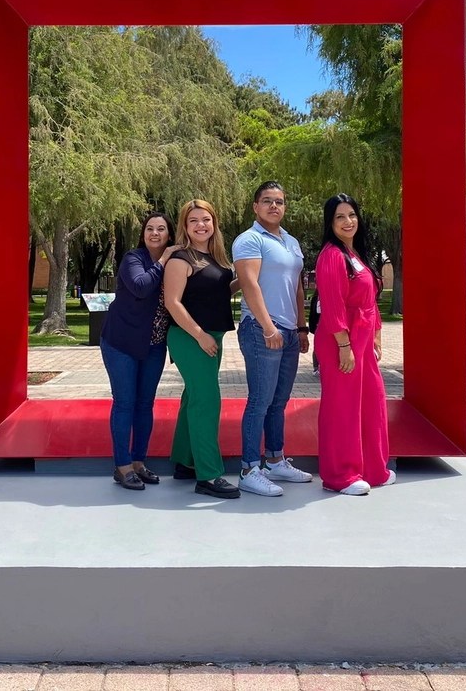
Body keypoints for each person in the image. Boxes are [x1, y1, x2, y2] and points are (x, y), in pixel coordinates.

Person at [232, 181, 312, 497]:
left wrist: (302, 328)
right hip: (261, 329)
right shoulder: (249, 240)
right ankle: (249, 469)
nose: (274, 206)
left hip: (289, 332)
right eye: (267, 201)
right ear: (256, 207)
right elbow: (249, 284)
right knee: (260, 400)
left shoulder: (291, 242)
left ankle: (275, 461)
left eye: (279, 201)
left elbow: (297, 286)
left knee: (279, 401)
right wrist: (268, 327)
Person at [314, 194, 394, 496]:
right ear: (330, 222)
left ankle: (373, 468)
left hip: (362, 340)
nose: (348, 222)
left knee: (372, 402)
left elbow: (369, 301)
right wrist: (344, 346)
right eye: (340, 217)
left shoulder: (356, 254)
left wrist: (376, 335)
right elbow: (332, 306)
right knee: (342, 407)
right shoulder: (332, 255)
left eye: (351, 215)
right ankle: (341, 475)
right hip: (341, 340)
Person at [163, 199, 242, 500]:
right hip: (190, 337)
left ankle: (185, 462)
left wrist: (244, 281)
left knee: (193, 397)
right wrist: (199, 335)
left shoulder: (215, 258)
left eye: (206, 219)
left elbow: (217, 293)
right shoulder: (181, 259)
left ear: (214, 223)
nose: (201, 225)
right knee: (207, 401)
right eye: (193, 220)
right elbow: (173, 303)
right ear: (185, 226)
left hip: (211, 336)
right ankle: (208, 475)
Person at [100, 213, 182, 490]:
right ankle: (122, 466)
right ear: (143, 233)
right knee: (125, 403)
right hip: (121, 342)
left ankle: (138, 462)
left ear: (170, 234)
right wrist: (164, 258)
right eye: (150, 228)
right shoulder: (133, 259)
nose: (155, 233)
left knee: (145, 405)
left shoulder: (177, 262)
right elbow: (141, 287)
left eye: (161, 229)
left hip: (154, 344)